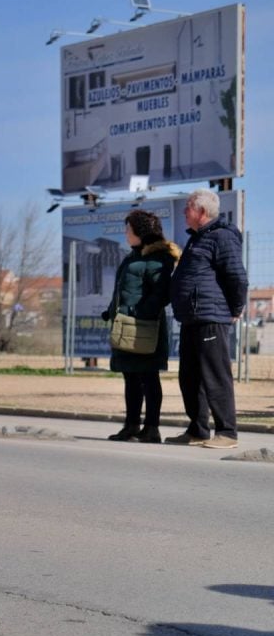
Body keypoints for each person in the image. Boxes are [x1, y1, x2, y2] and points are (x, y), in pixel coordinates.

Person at [167, 188, 248, 448]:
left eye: (188, 207)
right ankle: (198, 430)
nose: (184, 211)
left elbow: (237, 276)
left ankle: (227, 432)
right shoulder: (197, 238)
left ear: (201, 211)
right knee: (189, 377)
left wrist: (236, 309)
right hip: (191, 318)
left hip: (211, 316)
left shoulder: (222, 237)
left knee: (215, 376)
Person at [102, 209, 179, 443]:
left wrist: (140, 312)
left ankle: (152, 428)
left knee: (149, 377)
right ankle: (132, 425)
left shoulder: (158, 258)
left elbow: (161, 293)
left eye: (128, 229)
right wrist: (111, 309)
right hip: (126, 325)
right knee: (130, 377)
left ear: (140, 231)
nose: (126, 233)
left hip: (145, 328)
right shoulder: (133, 256)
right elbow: (123, 289)